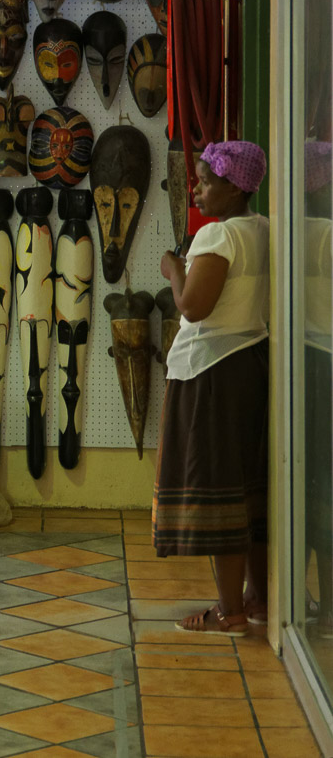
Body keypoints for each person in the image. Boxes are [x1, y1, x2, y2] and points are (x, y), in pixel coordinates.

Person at [156, 140, 270, 635]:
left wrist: (173, 269)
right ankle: (259, 599)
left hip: (210, 374)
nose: (196, 190)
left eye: (204, 182)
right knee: (251, 491)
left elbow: (193, 306)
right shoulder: (264, 229)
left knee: (220, 489)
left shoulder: (217, 236)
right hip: (250, 364)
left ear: (234, 187)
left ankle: (229, 611)